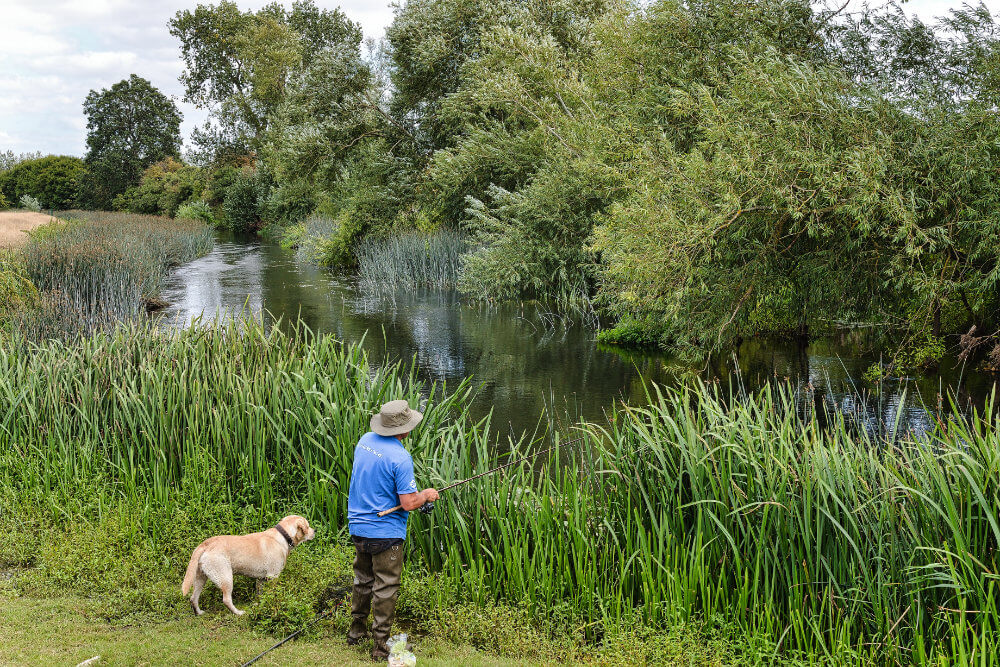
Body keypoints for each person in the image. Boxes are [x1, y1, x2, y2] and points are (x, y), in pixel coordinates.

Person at [346, 399, 439, 661]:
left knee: (363, 579)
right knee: (386, 586)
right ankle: (381, 646)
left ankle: (356, 632)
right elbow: (409, 503)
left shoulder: (365, 440)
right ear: (404, 429)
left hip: (358, 525)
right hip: (385, 533)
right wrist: (426, 495)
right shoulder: (400, 456)